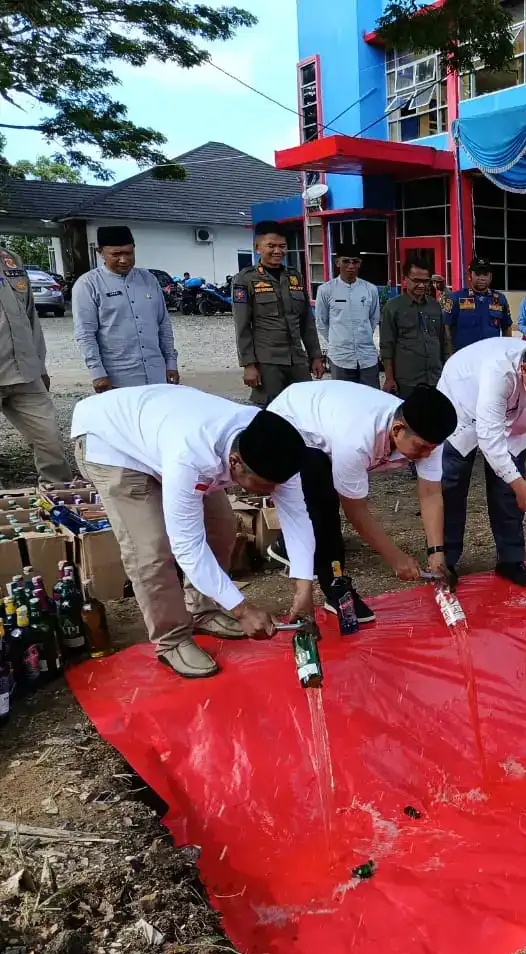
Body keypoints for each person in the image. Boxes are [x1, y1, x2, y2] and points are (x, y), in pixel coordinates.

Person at [70, 385, 315, 678]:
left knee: (222, 529)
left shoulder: (274, 448)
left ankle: (202, 608)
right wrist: (242, 610)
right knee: (151, 550)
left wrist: (304, 586)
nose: (273, 492)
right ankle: (171, 638)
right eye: (264, 485)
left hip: (161, 431)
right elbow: (187, 546)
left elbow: (298, 519)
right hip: (111, 441)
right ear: (235, 463)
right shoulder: (192, 455)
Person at [266, 381, 458, 619]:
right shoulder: (357, 439)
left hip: (328, 420)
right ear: (397, 429)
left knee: (324, 500)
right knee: (323, 502)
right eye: (422, 448)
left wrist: (436, 551)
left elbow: (430, 493)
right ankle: (335, 589)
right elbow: (355, 511)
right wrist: (395, 558)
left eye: (432, 448)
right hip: (291, 422)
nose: (427, 455)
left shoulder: (426, 435)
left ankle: (298, 550)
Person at [429, 329, 526, 587]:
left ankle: (511, 558)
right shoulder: (498, 371)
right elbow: (489, 437)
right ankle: (445, 559)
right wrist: (522, 486)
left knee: (508, 493)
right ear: (524, 368)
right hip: (462, 406)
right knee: (453, 484)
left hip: (512, 422)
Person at [0, 244, 74, 483]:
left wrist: (40, 367)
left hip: (25, 373)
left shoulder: (10, 259)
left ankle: (61, 501)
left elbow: (30, 315)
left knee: (50, 441)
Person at [73, 226, 178, 392]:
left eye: (128, 253)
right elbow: (85, 333)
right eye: (116, 254)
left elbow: (163, 324)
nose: (123, 260)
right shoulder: (88, 284)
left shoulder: (148, 280)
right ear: (100, 253)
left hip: (157, 376)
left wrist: (171, 363)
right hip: (117, 380)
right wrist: (97, 373)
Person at [233, 221, 325, 407]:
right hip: (267, 362)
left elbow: (307, 321)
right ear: (257, 248)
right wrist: (249, 365)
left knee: (303, 408)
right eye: (271, 246)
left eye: (282, 246)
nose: (277, 251)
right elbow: (242, 326)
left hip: (297, 359)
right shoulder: (245, 279)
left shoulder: (294, 277)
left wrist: (315, 356)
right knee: (270, 412)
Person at [314, 244, 380, 388]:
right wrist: (337, 341)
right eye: (346, 261)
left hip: (367, 357)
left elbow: (373, 319)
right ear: (337, 262)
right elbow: (321, 322)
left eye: (355, 261)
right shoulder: (326, 290)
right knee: (344, 401)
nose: (351, 266)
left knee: (371, 400)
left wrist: (363, 335)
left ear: (360, 264)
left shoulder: (370, 289)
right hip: (340, 358)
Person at [382, 256, 449, 396]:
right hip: (407, 382)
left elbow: (443, 341)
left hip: (435, 379)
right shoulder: (393, 307)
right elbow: (387, 346)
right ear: (405, 279)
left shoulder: (435, 306)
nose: (422, 286)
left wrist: (447, 372)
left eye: (426, 281)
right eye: (416, 281)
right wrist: (389, 378)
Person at [446, 258, 512, 351]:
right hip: (464, 358)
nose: (482, 278)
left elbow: (507, 328)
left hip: (490, 356)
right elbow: (446, 328)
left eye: (485, 274)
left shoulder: (500, 299)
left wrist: (506, 352)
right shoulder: (456, 298)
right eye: (477, 274)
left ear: (491, 277)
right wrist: (449, 354)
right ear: (470, 275)